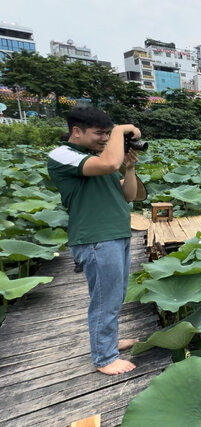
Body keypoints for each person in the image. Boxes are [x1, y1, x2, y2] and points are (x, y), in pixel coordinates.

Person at [47, 107, 141, 375]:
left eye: (108, 134)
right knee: (104, 299)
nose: (105, 139)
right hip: (96, 238)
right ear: (76, 131)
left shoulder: (95, 159)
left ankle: (108, 343)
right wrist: (122, 129)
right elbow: (110, 164)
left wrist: (130, 167)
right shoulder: (63, 155)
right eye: (100, 133)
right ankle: (104, 357)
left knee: (115, 296)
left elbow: (129, 196)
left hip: (116, 233)